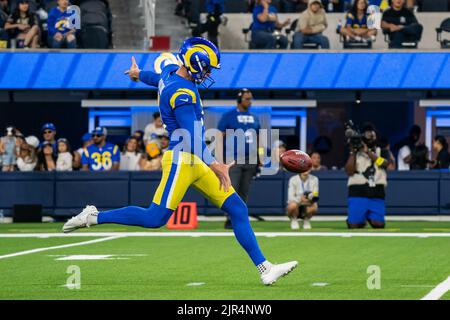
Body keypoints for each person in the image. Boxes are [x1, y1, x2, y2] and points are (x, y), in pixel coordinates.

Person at [63, 37, 297, 285]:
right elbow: (191, 136)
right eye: (206, 68)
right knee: (155, 218)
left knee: (237, 208)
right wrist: (215, 164)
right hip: (182, 159)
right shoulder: (182, 93)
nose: (208, 73)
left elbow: (154, 78)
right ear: (194, 64)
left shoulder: (170, 72)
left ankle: (265, 268)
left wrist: (136, 73)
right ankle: (93, 216)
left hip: (195, 159)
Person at [217, 88, 262, 229]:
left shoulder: (255, 117)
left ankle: (239, 218)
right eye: (247, 99)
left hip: (250, 158)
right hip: (233, 158)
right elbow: (219, 136)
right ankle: (229, 218)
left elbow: (258, 137)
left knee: (244, 190)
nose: (250, 101)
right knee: (232, 189)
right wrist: (219, 158)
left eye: (250, 98)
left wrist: (260, 156)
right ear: (239, 100)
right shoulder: (228, 116)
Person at [345, 123, 392, 229]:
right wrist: (353, 151)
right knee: (354, 225)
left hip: (377, 190)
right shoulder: (355, 153)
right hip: (358, 190)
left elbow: (385, 163)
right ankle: (359, 218)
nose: (369, 136)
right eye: (366, 134)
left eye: (372, 134)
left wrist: (367, 152)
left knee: (378, 224)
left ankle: (368, 216)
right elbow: (349, 171)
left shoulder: (382, 150)